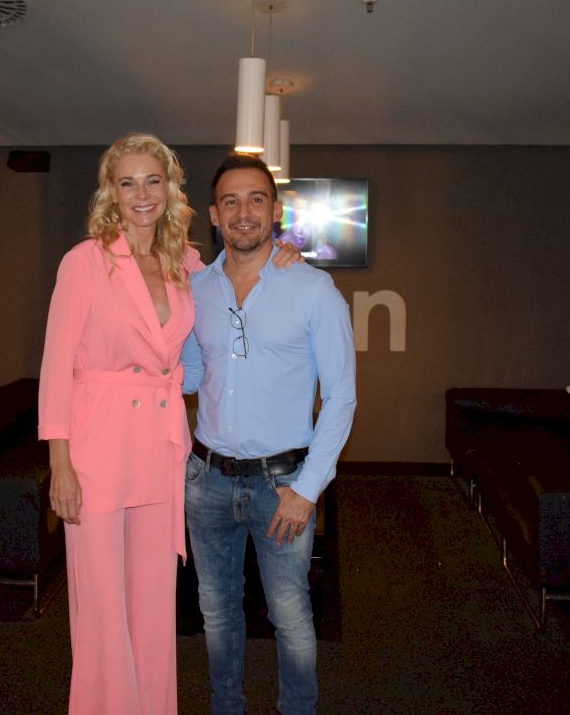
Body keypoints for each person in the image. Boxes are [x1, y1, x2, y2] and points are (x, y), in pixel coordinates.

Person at [38, 135, 300, 715]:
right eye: (127, 182)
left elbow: (237, 284)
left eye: (153, 181)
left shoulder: (186, 263)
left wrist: (284, 259)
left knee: (154, 601)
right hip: (97, 448)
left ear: (170, 188)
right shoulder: (85, 262)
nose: (142, 194)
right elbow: (55, 368)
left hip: (160, 447)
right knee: (103, 605)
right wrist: (60, 464)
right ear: (111, 192)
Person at [181, 153, 357, 715]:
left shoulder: (313, 290)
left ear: (275, 210)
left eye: (256, 199)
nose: (244, 212)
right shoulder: (195, 289)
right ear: (214, 215)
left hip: (282, 485)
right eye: (230, 201)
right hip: (207, 480)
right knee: (217, 612)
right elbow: (188, 374)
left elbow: (341, 396)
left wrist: (307, 490)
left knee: (290, 614)